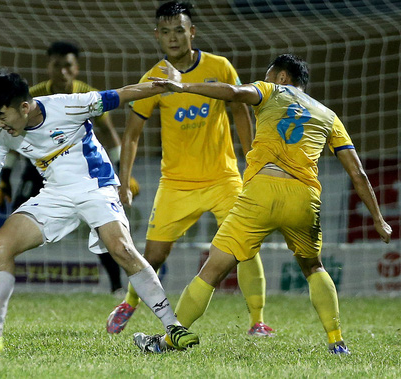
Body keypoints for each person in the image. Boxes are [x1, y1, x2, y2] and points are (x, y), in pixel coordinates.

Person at [132, 54, 392, 354]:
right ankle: (337, 343)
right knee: (313, 266)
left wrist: (182, 87)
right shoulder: (329, 116)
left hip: (261, 192)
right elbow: (357, 173)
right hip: (304, 199)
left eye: (269, 76)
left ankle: (166, 342)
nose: (265, 80)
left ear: (282, 77)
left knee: (212, 271)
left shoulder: (271, 91)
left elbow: (232, 93)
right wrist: (377, 218)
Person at [0, 68, 197, 352]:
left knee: (122, 249)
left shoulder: (68, 105)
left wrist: (164, 86)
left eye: (1, 116)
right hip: (55, 194)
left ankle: (173, 327)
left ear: (24, 107)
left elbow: (121, 95)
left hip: (95, 186)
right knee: (0, 244)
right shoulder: (2, 133)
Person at [106, 0, 272, 337]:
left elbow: (240, 111)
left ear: (191, 31)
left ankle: (257, 321)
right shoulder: (154, 78)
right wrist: (123, 183)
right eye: (165, 32)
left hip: (224, 177)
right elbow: (133, 133)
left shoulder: (219, 67)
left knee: (246, 245)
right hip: (176, 183)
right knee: (153, 254)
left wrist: (251, 161)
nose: (173, 38)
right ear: (157, 36)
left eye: (179, 30)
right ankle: (128, 304)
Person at [0, 41, 130, 295]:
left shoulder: (87, 95)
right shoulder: (31, 97)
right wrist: (5, 178)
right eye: (57, 66)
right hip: (38, 169)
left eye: (68, 66)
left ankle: (116, 286)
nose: (62, 72)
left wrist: (124, 173)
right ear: (49, 67)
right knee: (15, 221)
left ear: (76, 68)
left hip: (80, 173)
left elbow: (110, 135)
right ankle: (2, 287)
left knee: (100, 226)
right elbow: (10, 140)